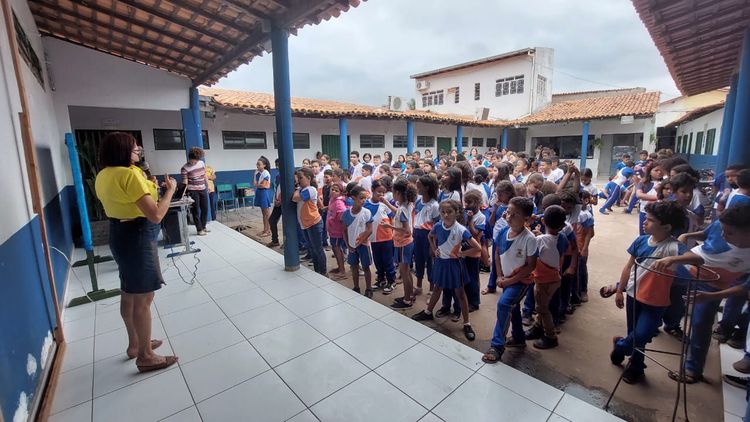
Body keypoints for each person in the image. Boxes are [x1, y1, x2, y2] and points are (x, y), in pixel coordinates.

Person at [94, 132, 178, 372]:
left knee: (128, 290)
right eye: (134, 148)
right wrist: (170, 190)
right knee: (144, 297)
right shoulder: (129, 175)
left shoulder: (104, 174)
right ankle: (146, 355)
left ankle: (134, 343)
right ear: (123, 151)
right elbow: (156, 214)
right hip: (137, 235)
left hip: (119, 233)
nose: (138, 150)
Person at [654, 204, 750, 384]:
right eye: (722, 230)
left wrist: (713, 296)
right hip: (687, 267)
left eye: (729, 233)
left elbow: (745, 287)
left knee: (701, 322)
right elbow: (706, 234)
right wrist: (687, 236)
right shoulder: (724, 224)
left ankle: (692, 369)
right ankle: (671, 324)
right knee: (663, 292)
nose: (723, 235)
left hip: (714, 285)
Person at [611, 201, 688, 384]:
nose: (644, 222)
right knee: (635, 333)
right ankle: (636, 367)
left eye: (650, 220)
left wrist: (672, 259)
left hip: (657, 301)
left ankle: (621, 346)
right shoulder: (640, 241)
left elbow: (697, 260)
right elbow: (628, 267)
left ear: (667, 227)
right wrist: (619, 290)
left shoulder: (672, 247)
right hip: (634, 295)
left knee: (643, 333)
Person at [412, 200, 480, 341]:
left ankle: (467, 323)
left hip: (455, 265)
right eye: (443, 212)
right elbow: (430, 236)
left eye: (449, 212)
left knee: (460, 293)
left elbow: (477, 247)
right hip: (441, 262)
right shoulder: (437, 226)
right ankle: (428, 311)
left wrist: (463, 254)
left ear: (457, 212)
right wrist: (433, 247)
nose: (446, 214)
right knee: (437, 288)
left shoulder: (461, 229)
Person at [482, 197, 538, 363]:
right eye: (508, 212)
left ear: (527, 219)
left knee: (504, 304)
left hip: (521, 282)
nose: (509, 217)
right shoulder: (502, 232)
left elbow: (530, 267)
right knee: (512, 308)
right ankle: (519, 338)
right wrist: (499, 276)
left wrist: (508, 281)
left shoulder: (529, 239)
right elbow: (498, 254)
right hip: (506, 278)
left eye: (515, 215)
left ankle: (497, 345)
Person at [525, 205, 569, 349]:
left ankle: (550, 336)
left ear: (543, 222)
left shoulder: (540, 240)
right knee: (543, 305)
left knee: (542, 308)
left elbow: (532, 248)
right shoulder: (562, 237)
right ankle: (538, 327)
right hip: (555, 278)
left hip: (543, 280)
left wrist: (530, 228)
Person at [383, 178, 417, 309]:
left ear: (398, 193)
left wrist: (389, 227)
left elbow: (406, 230)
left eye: (393, 192)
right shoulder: (406, 205)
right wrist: (386, 202)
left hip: (403, 242)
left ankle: (407, 300)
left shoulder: (403, 209)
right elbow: (398, 212)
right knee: (406, 271)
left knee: (404, 272)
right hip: (404, 242)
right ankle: (409, 295)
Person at [364, 179, 397, 293]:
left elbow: (392, 218)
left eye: (383, 192)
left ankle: (391, 281)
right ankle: (381, 279)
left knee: (388, 261)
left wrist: (392, 231)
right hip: (373, 239)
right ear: (372, 190)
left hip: (387, 238)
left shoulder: (385, 204)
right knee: (378, 261)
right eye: (379, 192)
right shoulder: (366, 204)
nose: (381, 195)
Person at [292, 167, 326, 275]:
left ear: (308, 178)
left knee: (317, 249)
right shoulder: (303, 189)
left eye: (300, 178)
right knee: (312, 249)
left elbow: (295, 198)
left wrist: (297, 189)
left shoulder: (310, 189)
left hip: (313, 223)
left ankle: (323, 272)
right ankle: (317, 271)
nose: (298, 180)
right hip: (306, 224)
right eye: (297, 178)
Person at [343, 185, 375, 297]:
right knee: (354, 267)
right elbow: (344, 231)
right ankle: (356, 287)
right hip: (352, 246)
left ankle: (369, 288)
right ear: (353, 198)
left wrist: (362, 239)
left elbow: (370, 229)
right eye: (361, 198)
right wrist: (348, 245)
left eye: (365, 198)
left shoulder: (366, 212)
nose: (364, 200)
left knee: (366, 267)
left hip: (364, 245)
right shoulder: (347, 214)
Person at [413, 175, 440, 295]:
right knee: (418, 259)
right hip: (417, 233)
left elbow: (436, 224)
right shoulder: (418, 200)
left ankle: (431, 288)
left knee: (430, 261)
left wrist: (433, 243)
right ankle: (418, 286)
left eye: (419, 186)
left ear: (427, 187)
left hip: (428, 235)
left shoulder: (434, 205)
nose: (417, 188)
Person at [181, 147, 209, 235]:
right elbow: (185, 182)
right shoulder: (184, 168)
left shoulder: (201, 163)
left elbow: (204, 175)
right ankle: (199, 229)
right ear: (189, 158)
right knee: (196, 210)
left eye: (195, 162)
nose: (193, 163)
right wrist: (183, 193)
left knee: (205, 208)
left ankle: (203, 226)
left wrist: (208, 186)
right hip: (193, 191)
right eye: (192, 161)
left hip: (203, 188)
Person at [326, 183, 348, 278]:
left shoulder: (339, 203)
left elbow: (343, 217)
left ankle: (342, 271)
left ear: (341, 193)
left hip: (337, 231)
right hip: (332, 230)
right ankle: (339, 267)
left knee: (337, 249)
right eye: (332, 189)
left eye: (336, 190)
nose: (333, 191)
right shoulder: (332, 200)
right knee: (334, 248)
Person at [253, 156, 273, 237]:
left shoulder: (266, 173)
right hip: (259, 193)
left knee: (267, 213)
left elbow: (264, 185)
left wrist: (258, 185)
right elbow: (255, 183)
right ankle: (265, 229)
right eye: (257, 164)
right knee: (263, 213)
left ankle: (269, 230)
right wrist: (255, 175)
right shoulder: (258, 173)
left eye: (259, 164)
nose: (257, 166)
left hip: (264, 193)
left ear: (264, 165)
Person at [267, 158, 282, 248]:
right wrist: (276, 200)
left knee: (287, 223)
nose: (277, 167)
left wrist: (280, 200)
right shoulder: (277, 176)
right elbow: (277, 189)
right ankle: (275, 240)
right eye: (276, 165)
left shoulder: (288, 175)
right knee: (272, 220)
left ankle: (288, 241)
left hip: (284, 203)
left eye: (279, 165)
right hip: (277, 202)